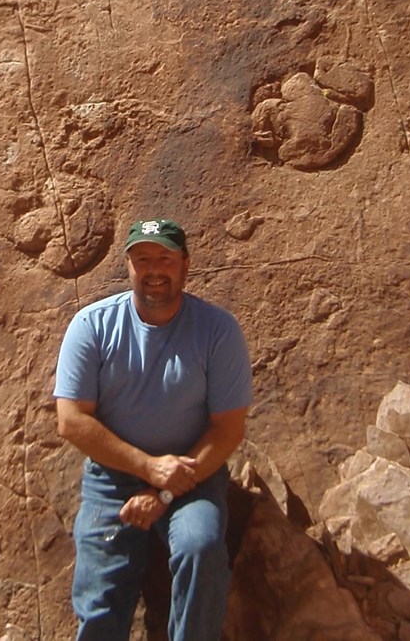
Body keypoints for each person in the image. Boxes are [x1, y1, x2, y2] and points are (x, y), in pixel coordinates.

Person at [53, 218, 253, 641]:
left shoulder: (217, 331)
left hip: (191, 475)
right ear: (128, 265)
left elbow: (229, 429)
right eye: (143, 258)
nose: (154, 269)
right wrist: (147, 468)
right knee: (99, 595)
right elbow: (71, 421)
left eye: (165, 257)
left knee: (200, 547)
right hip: (113, 478)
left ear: (185, 265)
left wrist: (164, 489)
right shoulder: (91, 326)